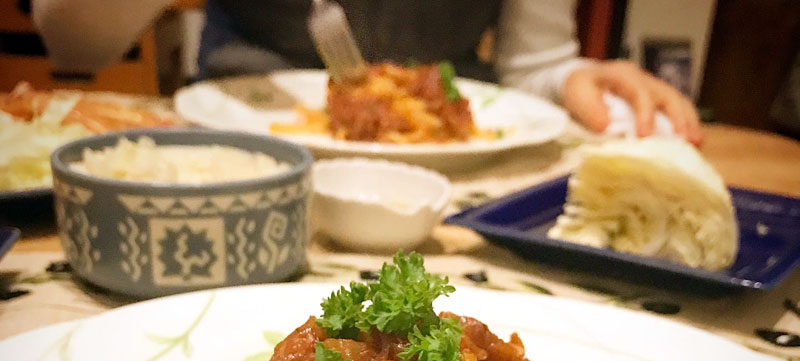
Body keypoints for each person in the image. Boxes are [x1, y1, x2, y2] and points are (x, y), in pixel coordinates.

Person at [32, 0, 702, 143]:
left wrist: (569, 76)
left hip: (458, 185)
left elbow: (536, 62)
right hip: (233, 151)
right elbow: (71, 42)